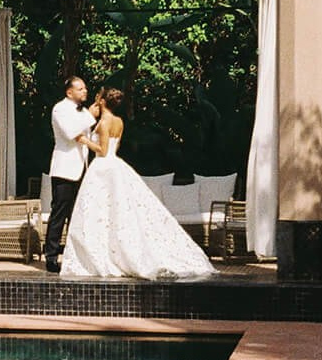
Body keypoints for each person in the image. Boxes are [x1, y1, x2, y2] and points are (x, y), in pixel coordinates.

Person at [61, 88, 216, 279]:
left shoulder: (105, 122)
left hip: (102, 167)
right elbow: (114, 147)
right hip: (115, 164)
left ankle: (105, 255)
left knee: (99, 210)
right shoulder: (119, 121)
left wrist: (84, 140)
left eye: (98, 99)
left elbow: (102, 150)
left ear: (102, 102)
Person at [43, 75, 97, 274]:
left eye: (85, 88)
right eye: (81, 89)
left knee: (77, 214)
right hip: (65, 169)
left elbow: (86, 136)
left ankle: (75, 256)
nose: (85, 91)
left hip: (81, 168)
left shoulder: (82, 112)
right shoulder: (60, 109)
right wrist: (90, 115)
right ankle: (51, 256)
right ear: (69, 92)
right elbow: (70, 132)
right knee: (60, 213)